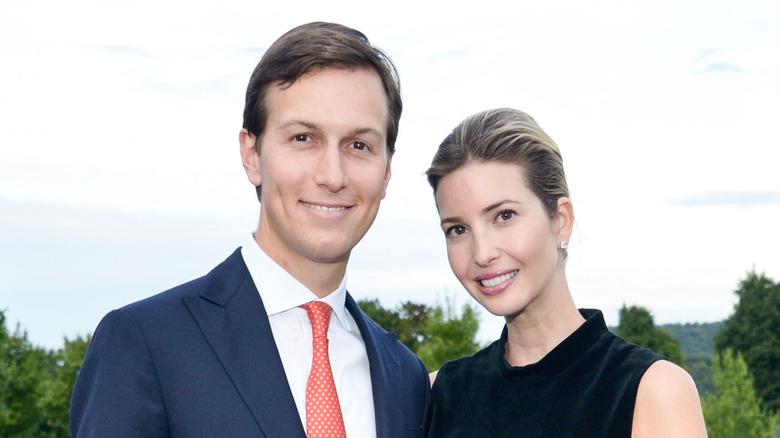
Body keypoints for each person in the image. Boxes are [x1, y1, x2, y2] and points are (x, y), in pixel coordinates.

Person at [70, 22, 429, 438]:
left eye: (359, 145)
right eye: (303, 137)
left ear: (387, 171)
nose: (333, 175)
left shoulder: (405, 376)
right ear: (251, 154)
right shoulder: (144, 344)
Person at [422, 108, 707, 437]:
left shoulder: (652, 391)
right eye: (457, 229)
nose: (482, 253)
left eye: (504, 216)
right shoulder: (436, 395)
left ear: (561, 220)